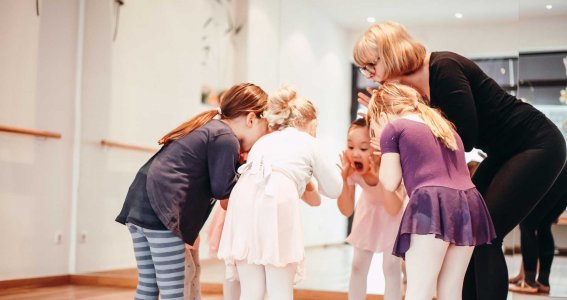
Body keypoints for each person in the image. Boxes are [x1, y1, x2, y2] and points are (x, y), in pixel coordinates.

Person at [353, 21, 567, 299]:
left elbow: (462, 136)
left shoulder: (443, 68)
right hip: (504, 151)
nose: (369, 75)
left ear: (391, 54)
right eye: (363, 68)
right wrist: (393, 115)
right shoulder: (417, 93)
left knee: (487, 234)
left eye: (371, 65)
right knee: (471, 228)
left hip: (537, 144)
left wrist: (398, 119)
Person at [115, 83, 269, 300]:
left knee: (148, 284)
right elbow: (223, 189)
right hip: (161, 211)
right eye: (267, 127)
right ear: (252, 118)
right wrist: (248, 171)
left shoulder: (210, 128)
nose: (265, 135)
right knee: (172, 292)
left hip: (139, 203)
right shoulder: (226, 138)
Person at [367, 82, 496, 300]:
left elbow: (390, 183)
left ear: (381, 111)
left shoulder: (393, 129)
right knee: (451, 292)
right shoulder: (444, 127)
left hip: (431, 203)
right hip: (469, 203)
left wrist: (384, 146)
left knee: (419, 291)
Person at [217, 86, 342, 300]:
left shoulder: (263, 141)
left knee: (251, 289)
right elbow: (334, 189)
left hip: (243, 196)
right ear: (312, 123)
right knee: (280, 289)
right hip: (276, 197)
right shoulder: (310, 142)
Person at [337, 118, 404, 300]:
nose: (355, 153)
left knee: (391, 266)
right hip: (368, 211)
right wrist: (343, 181)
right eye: (350, 147)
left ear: (377, 148)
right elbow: (346, 209)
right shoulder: (351, 171)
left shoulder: (391, 165)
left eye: (363, 148)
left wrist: (379, 176)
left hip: (394, 212)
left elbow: (394, 209)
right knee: (358, 264)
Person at [509, 191, 567, 294]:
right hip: (562, 187)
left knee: (527, 224)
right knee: (544, 225)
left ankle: (529, 282)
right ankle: (543, 282)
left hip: (554, 185)